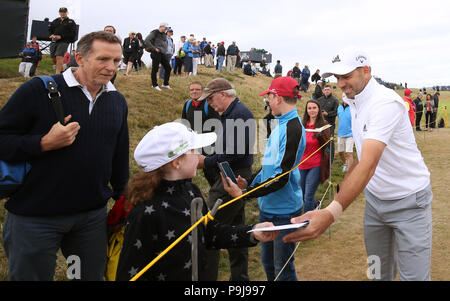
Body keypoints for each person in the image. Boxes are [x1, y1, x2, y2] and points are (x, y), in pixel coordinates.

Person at [284, 50, 433, 281]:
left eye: (346, 76)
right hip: (375, 204)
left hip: (409, 202)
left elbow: (369, 165)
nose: (341, 83)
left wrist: (331, 212)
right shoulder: (352, 100)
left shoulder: (385, 103)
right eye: (337, 78)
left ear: (366, 71)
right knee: (377, 274)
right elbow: (362, 157)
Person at [0, 31, 130, 281]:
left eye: (116, 61)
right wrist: (42, 143)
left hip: (90, 219)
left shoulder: (116, 100)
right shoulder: (37, 90)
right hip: (35, 217)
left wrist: (123, 195)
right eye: (103, 59)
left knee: (85, 277)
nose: (111, 67)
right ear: (79, 58)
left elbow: (119, 152)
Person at [115, 122, 277, 281]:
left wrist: (253, 232)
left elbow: (210, 233)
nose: (199, 156)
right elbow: (129, 271)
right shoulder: (145, 211)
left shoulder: (192, 192)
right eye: (193, 150)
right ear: (176, 162)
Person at [221, 76, 307, 281]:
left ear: (277, 98)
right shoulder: (280, 125)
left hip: (284, 211)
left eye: (268, 96)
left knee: (282, 270)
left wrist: (245, 193)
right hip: (269, 207)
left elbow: (281, 177)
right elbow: (270, 166)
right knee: (269, 265)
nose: (267, 101)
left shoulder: (293, 128)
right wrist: (249, 182)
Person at [196, 78, 255, 281]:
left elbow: (235, 152)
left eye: (211, 98)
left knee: (210, 229)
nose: (209, 104)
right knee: (236, 229)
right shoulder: (233, 113)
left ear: (223, 94)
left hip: (233, 176)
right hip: (233, 173)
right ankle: (240, 279)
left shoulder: (238, 115)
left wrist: (206, 162)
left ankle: (207, 280)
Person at [181, 81, 221, 186]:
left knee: (210, 172)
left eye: (197, 89)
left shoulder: (208, 105)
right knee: (186, 171)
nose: (194, 92)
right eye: (192, 89)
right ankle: (186, 191)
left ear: (202, 91)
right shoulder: (187, 105)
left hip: (207, 146)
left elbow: (217, 125)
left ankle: (218, 192)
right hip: (191, 145)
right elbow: (184, 123)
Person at [299, 100, 331, 213]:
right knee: (302, 194)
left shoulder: (324, 125)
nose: (312, 110)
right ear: (306, 110)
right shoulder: (302, 124)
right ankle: (315, 204)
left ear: (318, 109)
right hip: (302, 164)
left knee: (308, 195)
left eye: (314, 108)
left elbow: (326, 143)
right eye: (309, 108)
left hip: (316, 164)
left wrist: (319, 134)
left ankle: (306, 223)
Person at [48, 7, 77, 74]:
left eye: (64, 12)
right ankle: (63, 71)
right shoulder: (55, 21)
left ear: (67, 13)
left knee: (59, 56)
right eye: (61, 12)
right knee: (53, 58)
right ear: (59, 13)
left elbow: (73, 33)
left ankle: (57, 74)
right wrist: (52, 34)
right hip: (54, 41)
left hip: (64, 41)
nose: (63, 13)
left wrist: (61, 36)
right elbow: (50, 29)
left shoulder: (71, 22)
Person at [145, 22, 172, 91]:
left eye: (166, 28)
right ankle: (154, 85)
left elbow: (165, 43)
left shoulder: (164, 34)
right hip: (156, 53)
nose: (166, 29)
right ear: (161, 26)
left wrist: (165, 50)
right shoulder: (155, 32)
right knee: (155, 68)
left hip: (162, 53)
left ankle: (165, 84)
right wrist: (154, 48)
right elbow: (147, 40)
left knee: (168, 68)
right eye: (165, 28)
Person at [317, 85, 339, 162]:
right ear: (323, 91)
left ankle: (330, 161)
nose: (327, 91)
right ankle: (321, 159)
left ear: (331, 90)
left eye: (328, 89)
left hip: (330, 125)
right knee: (319, 142)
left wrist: (328, 114)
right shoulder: (319, 100)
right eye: (325, 89)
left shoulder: (334, 100)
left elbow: (336, 112)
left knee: (330, 142)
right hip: (320, 125)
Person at [337, 97, 354, 172]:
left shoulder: (352, 107)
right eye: (344, 97)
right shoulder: (339, 107)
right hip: (340, 133)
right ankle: (345, 164)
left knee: (349, 153)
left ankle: (350, 172)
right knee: (340, 152)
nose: (346, 99)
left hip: (350, 134)